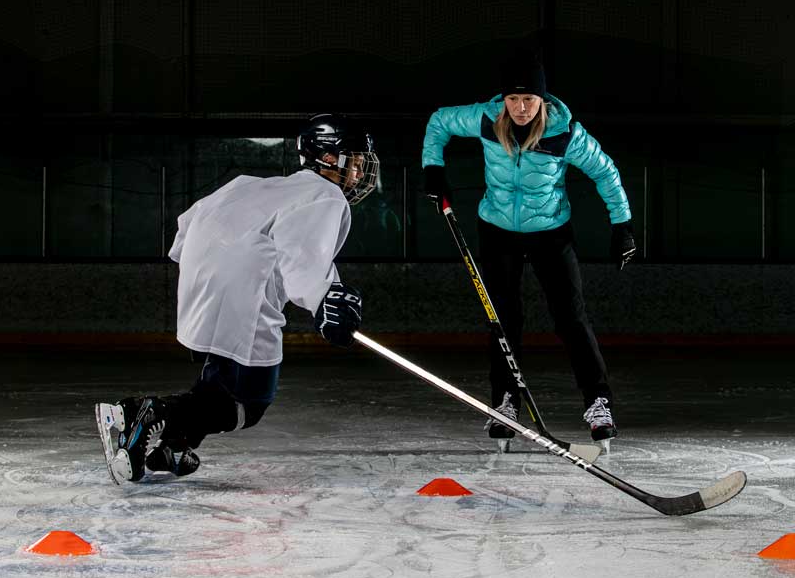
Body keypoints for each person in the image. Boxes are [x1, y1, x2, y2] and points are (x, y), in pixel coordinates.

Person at [95, 114, 379, 484]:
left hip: (199, 282)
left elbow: (186, 227)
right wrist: (325, 298)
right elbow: (303, 252)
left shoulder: (253, 185)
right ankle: (144, 413)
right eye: (355, 163)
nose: (358, 175)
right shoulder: (325, 195)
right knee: (248, 403)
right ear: (330, 159)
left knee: (220, 378)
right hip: (243, 294)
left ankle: (174, 445)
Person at [421, 58, 635, 451]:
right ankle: (505, 402)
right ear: (504, 100)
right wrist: (433, 169)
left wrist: (622, 226)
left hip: (551, 232)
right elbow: (438, 122)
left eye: (529, 99)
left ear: (542, 99)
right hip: (497, 230)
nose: (521, 108)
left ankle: (598, 402)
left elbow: (606, 172)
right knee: (502, 318)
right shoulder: (485, 120)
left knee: (571, 318)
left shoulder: (565, 133)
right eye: (514, 98)